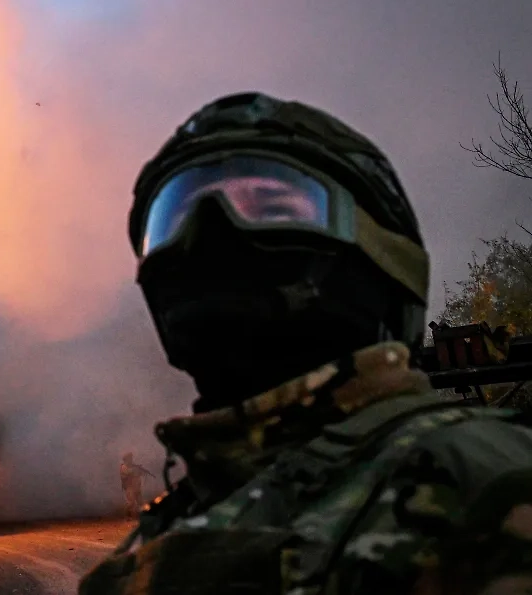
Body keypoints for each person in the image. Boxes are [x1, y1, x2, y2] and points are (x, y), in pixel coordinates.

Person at [79, 92, 532, 595]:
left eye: (274, 207)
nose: (212, 234)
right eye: (177, 215)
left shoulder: (486, 483)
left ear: (383, 257)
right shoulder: (164, 530)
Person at [120, 452, 155, 518]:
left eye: (131, 458)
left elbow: (139, 474)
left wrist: (141, 471)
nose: (131, 460)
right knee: (131, 503)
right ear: (126, 459)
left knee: (141, 502)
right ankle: (128, 516)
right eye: (129, 458)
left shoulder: (133, 466)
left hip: (137, 487)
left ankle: (144, 515)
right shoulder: (123, 467)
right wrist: (136, 469)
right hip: (129, 488)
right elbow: (129, 472)